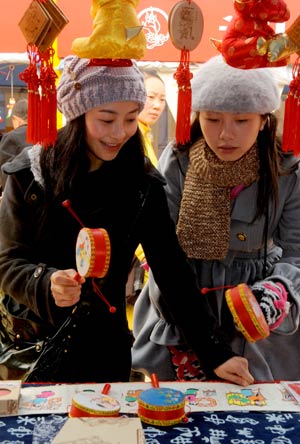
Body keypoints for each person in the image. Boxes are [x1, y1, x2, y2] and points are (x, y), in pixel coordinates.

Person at [0, 55, 253, 385]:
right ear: (78, 114)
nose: (119, 133)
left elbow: (172, 270)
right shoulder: (31, 176)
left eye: (131, 119)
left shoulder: (142, 185)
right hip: (32, 347)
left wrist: (214, 352)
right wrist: (44, 282)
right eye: (106, 120)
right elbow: (7, 260)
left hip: (104, 350)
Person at [132, 55, 300, 382]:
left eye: (241, 121)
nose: (226, 135)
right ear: (196, 115)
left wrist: (277, 291)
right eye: (212, 120)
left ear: (264, 120)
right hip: (181, 304)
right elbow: (163, 250)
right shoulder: (179, 160)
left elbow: (297, 248)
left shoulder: (287, 169)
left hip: (257, 315)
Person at [126, 70, 166, 325]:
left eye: (162, 99)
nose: (156, 105)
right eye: (150, 97)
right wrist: (146, 255)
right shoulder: (132, 138)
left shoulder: (144, 134)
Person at [0, 98, 29, 192]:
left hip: (19, 195)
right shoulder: (45, 135)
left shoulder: (11, 137)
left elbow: (4, 171)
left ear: (16, 119)